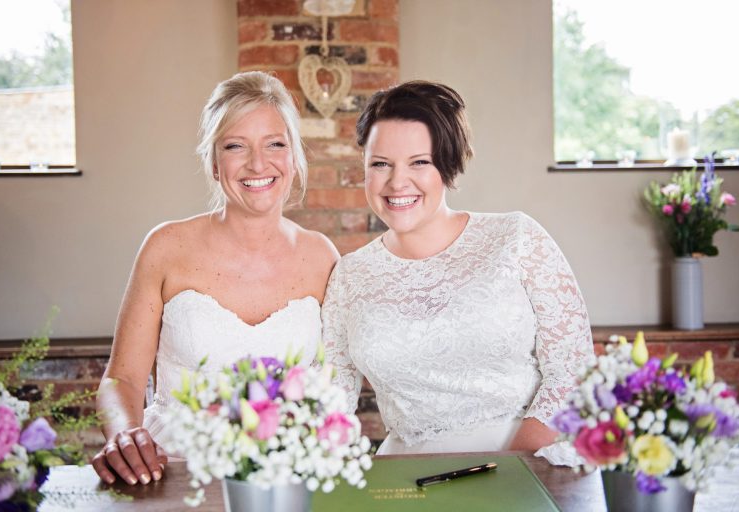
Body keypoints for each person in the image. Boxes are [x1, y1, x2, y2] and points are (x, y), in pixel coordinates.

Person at [92, 72, 339, 485]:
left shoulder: (322, 257)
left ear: (294, 157)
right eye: (235, 146)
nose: (258, 164)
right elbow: (123, 379)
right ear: (212, 161)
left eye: (275, 144)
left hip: (283, 475)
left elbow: (334, 389)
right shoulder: (165, 247)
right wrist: (125, 436)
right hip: (172, 471)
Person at [322, 81, 594, 455]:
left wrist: (513, 469)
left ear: (448, 164)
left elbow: (574, 371)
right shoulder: (349, 276)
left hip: (527, 465)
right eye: (380, 164)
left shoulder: (515, 238)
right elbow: (330, 401)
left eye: (420, 162)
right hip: (407, 479)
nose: (397, 182)